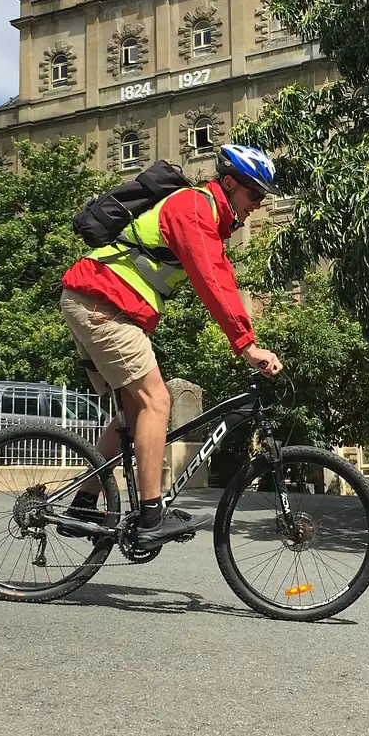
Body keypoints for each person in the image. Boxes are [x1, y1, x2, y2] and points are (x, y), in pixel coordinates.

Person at [58, 144, 283, 551]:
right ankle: (149, 515)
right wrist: (247, 345)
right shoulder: (195, 208)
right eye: (254, 194)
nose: (257, 204)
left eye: (263, 197)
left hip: (101, 302)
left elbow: (221, 276)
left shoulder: (206, 218)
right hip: (103, 302)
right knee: (156, 402)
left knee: (132, 411)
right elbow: (213, 281)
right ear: (229, 184)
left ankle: (83, 505)